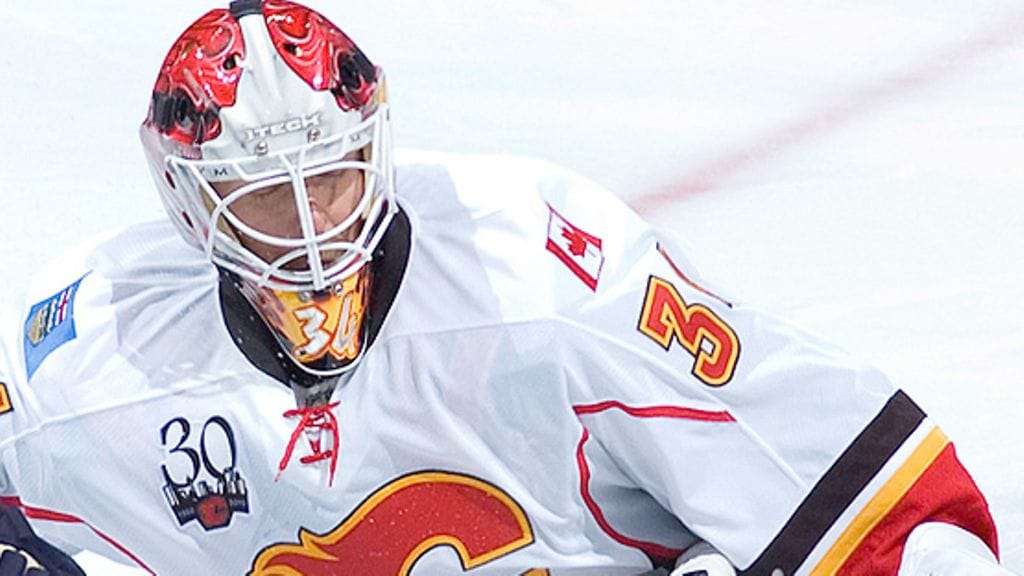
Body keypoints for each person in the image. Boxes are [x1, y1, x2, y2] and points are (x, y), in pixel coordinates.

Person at [0, 1, 1015, 575]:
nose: (312, 231)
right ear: (188, 201)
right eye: (266, 198)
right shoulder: (94, 356)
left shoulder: (547, 274)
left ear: (377, 152)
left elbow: (900, 522)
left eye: (333, 179)